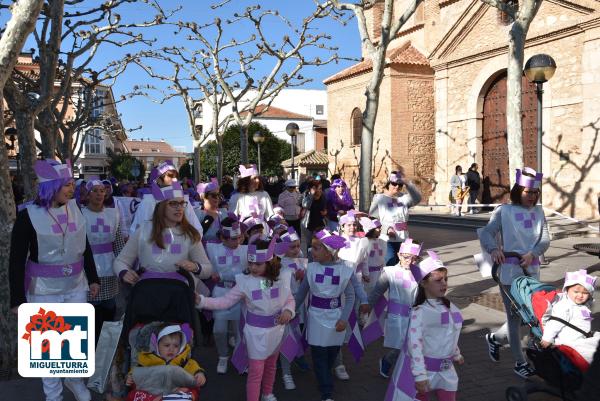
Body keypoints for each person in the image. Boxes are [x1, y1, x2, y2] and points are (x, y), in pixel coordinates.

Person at [9, 159, 100, 401]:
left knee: (75, 338)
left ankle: (74, 379)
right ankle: (53, 394)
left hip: (76, 285)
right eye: (66, 185)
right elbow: (16, 259)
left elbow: (85, 246)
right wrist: (17, 299)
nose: (72, 189)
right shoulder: (27, 216)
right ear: (50, 187)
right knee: (47, 345)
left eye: (72, 184)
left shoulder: (76, 209)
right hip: (43, 289)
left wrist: (93, 278)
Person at [197, 236, 296, 401]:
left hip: (277, 331)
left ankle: (267, 393)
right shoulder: (244, 282)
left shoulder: (281, 279)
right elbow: (225, 301)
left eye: (258, 264)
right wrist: (201, 300)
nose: (253, 267)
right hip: (255, 334)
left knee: (271, 366)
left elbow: (289, 299)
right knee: (256, 371)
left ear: (270, 262)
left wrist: (288, 311)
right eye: (250, 263)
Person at [480, 167, 550, 378]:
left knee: (528, 314)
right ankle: (520, 362)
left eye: (536, 192)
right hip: (509, 271)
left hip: (531, 269)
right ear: (518, 191)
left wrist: (533, 253)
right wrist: (494, 249)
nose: (533, 196)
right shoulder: (504, 211)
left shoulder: (539, 211)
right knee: (514, 317)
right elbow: (487, 233)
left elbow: (545, 239)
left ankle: (495, 339)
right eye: (529, 192)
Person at [387, 251, 463, 401]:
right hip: (426, 371)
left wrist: (456, 353)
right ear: (423, 283)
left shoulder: (450, 307)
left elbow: (450, 333)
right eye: (438, 280)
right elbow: (414, 344)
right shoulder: (419, 312)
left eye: (446, 279)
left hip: (447, 371)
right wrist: (420, 375)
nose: (444, 283)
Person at [294, 229, 356, 401]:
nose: (311, 251)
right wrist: (292, 311)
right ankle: (326, 391)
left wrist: (344, 318)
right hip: (315, 317)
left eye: (316, 248)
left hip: (336, 317)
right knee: (319, 355)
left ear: (329, 253)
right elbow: (301, 294)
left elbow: (350, 295)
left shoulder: (344, 270)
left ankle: (325, 377)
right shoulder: (311, 268)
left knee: (332, 353)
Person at [113, 181, 213, 287]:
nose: (179, 208)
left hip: (179, 296)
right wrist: (124, 272)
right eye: (173, 203)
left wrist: (195, 267)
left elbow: (207, 269)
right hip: (149, 294)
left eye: (182, 203)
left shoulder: (189, 233)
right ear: (161, 206)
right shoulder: (143, 230)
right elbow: (120, 261)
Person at [367, 238, 421, 378]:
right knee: (400, 346)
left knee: (413, 344)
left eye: (414, 258)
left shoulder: (420, 274)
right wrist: (367, 306)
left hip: (416, 315)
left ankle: (407, 370)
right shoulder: (390, 272)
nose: (410, 261)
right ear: (399, 255)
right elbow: (377, 291)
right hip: (397, 316)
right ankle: (387, 360)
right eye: (407, 257)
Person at [205, 214, 247, 374]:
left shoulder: (245, 250)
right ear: (222, 238)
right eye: (233, 239)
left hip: (239, 293)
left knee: (239, 330)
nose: (237, 242)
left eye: (239, 237)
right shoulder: (212, 248)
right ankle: (223, 356)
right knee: (219, 329)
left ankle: (239, 358)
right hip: (221, 292)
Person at [82, 179, 121, 344]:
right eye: (95, 191)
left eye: (102, 190)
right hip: (87, 269)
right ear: (88, 194)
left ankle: (106, 348)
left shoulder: (113, 213)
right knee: (92, 311)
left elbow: (118, 242)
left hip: (109, 267)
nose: (99, 194)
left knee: (109, 308)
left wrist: (122, 267)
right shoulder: (80, 214)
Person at [126, 324, 206, 400]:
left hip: (175, 389)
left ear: (181, 346)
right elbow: (138, 371)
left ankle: (176, 397)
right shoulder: (149, 359)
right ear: (158, 346)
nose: (171, 349)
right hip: (153, 391)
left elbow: (194, 368)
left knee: (192, 390)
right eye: (167, 345)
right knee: (134, 394)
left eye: (176, 346)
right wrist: (131, 377)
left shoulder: (183, 361)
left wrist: (199, 374)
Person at [541, 269, 599, 363]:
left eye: (585, 293)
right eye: (576, 292)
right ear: (567, 290)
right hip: (569, 344)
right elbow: (554, 323)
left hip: (581, 339)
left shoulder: (583, 305)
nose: (580, 295)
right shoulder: (564, 306)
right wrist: (547, 339)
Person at [129, 160, 203, 235]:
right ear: (159, 180)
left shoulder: (184, 200)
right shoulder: (149, 201)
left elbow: (197, 229)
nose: (175, 180)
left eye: (176, 177)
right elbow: (136, 231)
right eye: (170, 176)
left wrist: (184, 242)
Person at [274, 227, 306, 390]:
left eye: (297, 246)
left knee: (295, 336)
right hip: (280, 307)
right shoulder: (276, 264)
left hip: (296, 306)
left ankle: (292, 363)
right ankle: (285, 371)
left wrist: (302, 279)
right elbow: (266, 284)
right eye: (291, 247)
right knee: (284, 339)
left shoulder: (300, 259)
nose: (296, 250)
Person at [369, 170, 422, 266]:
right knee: (390, 260)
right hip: (387, 238)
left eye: (400, 185)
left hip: (403, 237)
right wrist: (386, 229)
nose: (397, 186)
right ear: (388, 184)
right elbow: (372, 219)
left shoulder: (404, 199)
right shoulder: (379, 199)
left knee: (403, 263)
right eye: (394, 184)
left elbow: (418, 198)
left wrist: (407, 183)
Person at [300, 179, 327, 257]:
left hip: (320, 224)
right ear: (312, 189)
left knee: (321, 243)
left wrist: (325, 212)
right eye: (317, 188)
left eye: (320, 188)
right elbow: (305, 206)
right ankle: (310, 262)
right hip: (308, 225)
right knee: (310, 244)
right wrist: (311, 195)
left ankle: (319, 259)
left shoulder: (323, 196)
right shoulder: (306, 195)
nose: (319, 190)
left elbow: (324, 207)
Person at [195, 178, 226, 244]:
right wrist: (208, 220)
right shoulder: (197, 214)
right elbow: (196, 236)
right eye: (214, 195)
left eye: (218, 195)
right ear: (204, 197)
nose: (217, 198)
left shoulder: (224, 213)